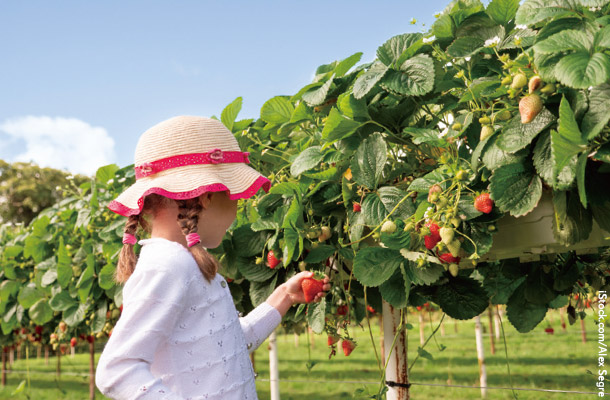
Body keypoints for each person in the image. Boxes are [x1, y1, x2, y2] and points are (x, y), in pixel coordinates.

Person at [95, 116, 330, 399]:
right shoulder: (168, 266)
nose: (237, 208)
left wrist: (285, 297)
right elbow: (117, 370)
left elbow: (230, 344)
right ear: (206, 196)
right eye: (235, 196)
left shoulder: (184, 263)